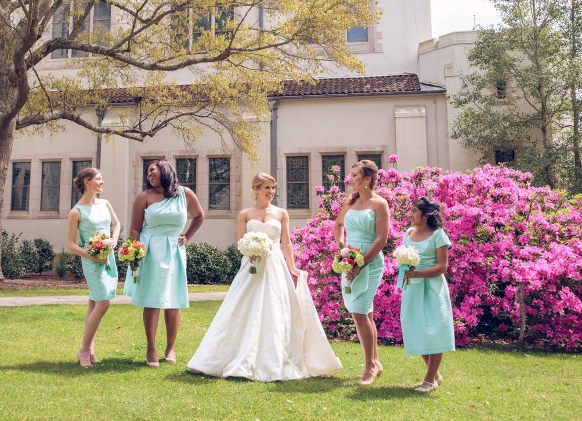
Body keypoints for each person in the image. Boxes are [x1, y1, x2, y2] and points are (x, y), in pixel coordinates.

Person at [187, 173, 341, 381]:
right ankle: (230, 356)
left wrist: (293, 267)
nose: (271, 192)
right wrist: (250, 252)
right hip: (251, 266)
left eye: (273, 188)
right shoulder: (244, 214)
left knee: (274, 309)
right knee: (242, 308)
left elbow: (286, 242)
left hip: (274, 265)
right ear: (256, 190)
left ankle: (274, 359)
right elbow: (241, 241)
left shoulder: (281, 213)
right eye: (267, 188)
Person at [124, 160, 204, 367]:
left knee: (173, 298)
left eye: (153, 170)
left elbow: (199, 215)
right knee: (152, 299)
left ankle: (170, 348)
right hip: (150, 249)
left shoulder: (184, 194)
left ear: (165, 170)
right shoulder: (144, 197)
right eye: (147, 171)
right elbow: (134, 228)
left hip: (174, 250)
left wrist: (187, 236)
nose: (149, 174)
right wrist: (135, 253)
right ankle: (151, 348)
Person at [333, 160, 390, 386]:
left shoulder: (380, 204)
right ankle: (375, 362)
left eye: (355, 175)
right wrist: (341, 248)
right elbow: (338, 224)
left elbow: (382, 239)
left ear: (367, 179)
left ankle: (369, 368)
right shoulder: (351, 201)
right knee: (364, 313)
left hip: (371, 261)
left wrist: (361, 264)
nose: (351, 178)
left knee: (359, 311)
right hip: (349, 260)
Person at [398, 196, 454, 393]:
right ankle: (435, 374)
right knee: (415, 328)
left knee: (433, 330)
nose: (410, 214)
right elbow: (404, 260)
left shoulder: (438, 235)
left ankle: (429, 379)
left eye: (414, 211)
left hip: (432, 288)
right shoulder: (408, 233)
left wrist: (419, 273)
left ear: (426, 215)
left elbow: (442, 267)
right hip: (412, 287)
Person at [66, 167, 121, 367]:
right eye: (98, 179)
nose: (102, 182)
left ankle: (90, 350)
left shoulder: (105, 204)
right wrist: (92, 256)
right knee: (103, 303)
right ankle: (83, 350)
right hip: (91, 262)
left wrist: (113, 241)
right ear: (87, 182)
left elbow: (116, 224)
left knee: (94, 303)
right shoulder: (76, 212)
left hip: (109, 259)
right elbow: (71, 244)